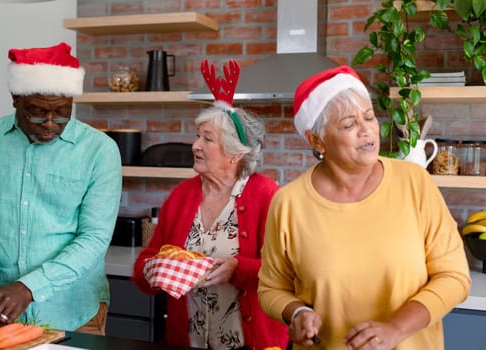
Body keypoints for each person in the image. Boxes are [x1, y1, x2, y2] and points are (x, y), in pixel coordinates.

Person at [257, 65, 471, 350]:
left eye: (369, 117)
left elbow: (454, 276)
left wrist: (396, 328)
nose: (366, 130)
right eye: (348, 125)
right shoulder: (289, 203)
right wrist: (296, 312)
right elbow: (271, 289)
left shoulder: (414, 183)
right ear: (316, 139)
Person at [0, 42, 122, 334]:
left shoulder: (100, 151)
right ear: (15, 99)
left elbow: (94, 239)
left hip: (75, 313)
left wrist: (29, 287)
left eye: (62, 113)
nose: (50, 124)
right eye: (36, 112)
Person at [133, 61, 288, 350]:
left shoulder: (267, 195)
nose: (195, 146)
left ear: (234, 154)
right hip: (187, 341)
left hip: (251, 344)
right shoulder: (181, 196)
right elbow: (149, 259)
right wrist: (151, 270)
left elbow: (285, 271)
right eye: (197, 136)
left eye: (207, 139)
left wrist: (237, 269)